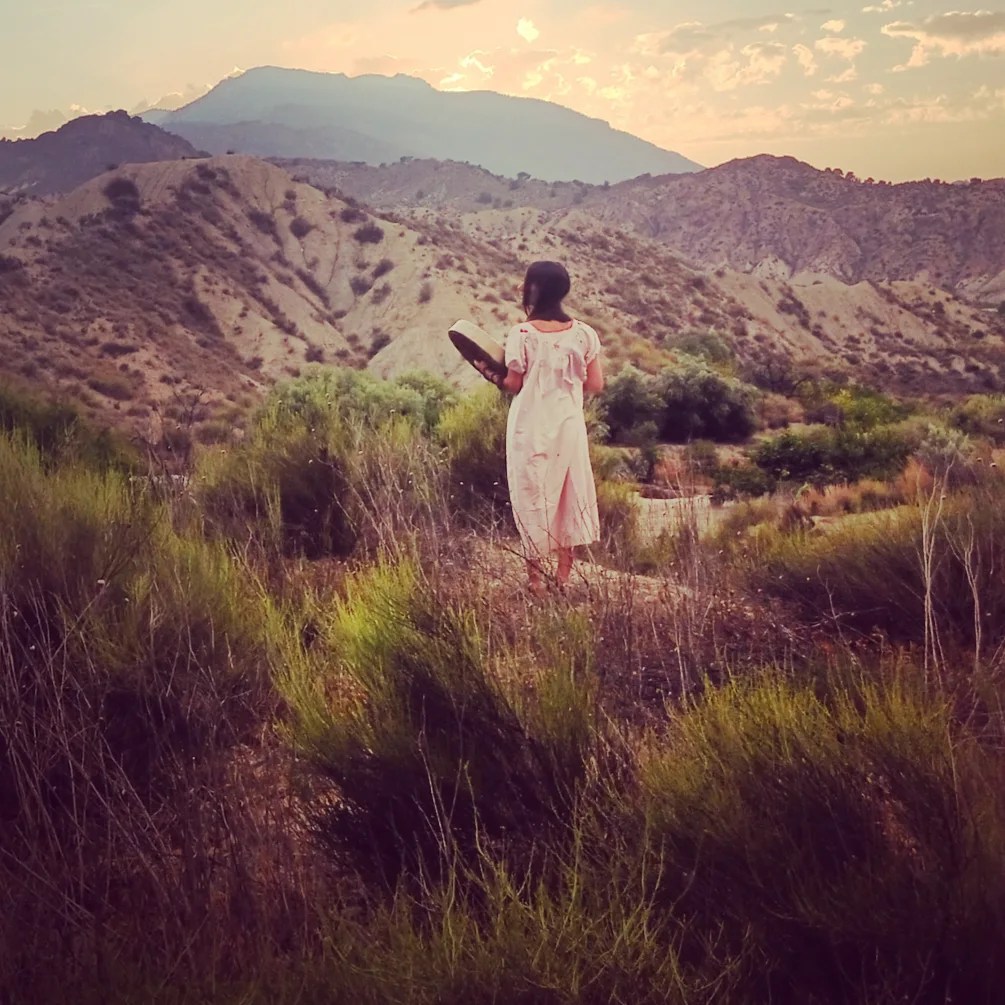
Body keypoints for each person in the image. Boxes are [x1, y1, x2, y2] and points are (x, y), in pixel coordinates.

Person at [489, 261, 605, 595]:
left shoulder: (521, 334)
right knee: (568, 492)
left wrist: (494, 375)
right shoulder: (584, 333)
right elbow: (595, 383)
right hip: (568, 424)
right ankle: (564, 578)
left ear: (533, 289)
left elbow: (513, 383)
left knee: (533, 494)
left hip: (531, 425)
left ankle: (536, 581)